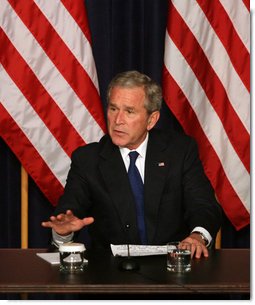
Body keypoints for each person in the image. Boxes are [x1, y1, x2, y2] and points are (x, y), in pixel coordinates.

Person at [42, 70, 222, 258]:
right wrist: (63, 233)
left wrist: (197, 236)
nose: (118, 120)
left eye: (129, 111)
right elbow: (68, 216)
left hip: (174, 267)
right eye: (113, 109)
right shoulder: (87, 159)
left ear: (151, 120)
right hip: (110, 274)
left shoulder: (180, 151)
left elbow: (204, 205)